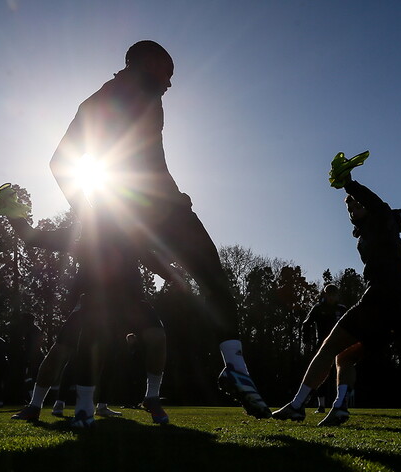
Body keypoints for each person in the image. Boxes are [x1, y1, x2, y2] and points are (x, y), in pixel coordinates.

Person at [49, 40, 269, 418]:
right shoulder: (97, 105)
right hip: (123, 213)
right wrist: (88, 212)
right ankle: (84, 404)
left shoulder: (152, 100)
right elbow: (60, 161)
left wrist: (171, 192)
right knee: (102, 309)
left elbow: (150, 158)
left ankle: (234, 367)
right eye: (166, 74)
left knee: (213, 274)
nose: (169, 84)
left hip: (165, 208)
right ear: (142, 64)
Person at [0, 187, 169, 426]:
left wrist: (173, 276)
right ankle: (35, 406)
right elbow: (33, 237)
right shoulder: (80, 234)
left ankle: (151, 397)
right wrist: (14, 215)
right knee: (59, 353)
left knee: (157, 336)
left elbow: (149, 256)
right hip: (93, 304)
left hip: (131, 301)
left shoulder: (129, 233)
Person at [273, 151, 401, 427]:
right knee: (345, 357)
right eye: (349, 209)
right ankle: (339, 408)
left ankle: (297, 406)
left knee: (328, 347)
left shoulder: (381, 220)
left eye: (357, 206)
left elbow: (377, 205)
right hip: (400, 311)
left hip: (382, 300)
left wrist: (349, 183)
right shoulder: (371, 231)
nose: (352, 210)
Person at [301, 284, 348, 413]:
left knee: (341, 372)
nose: (331, 297)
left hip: (340, 345)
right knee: (321, 373)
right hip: (322, 345)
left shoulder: (342, 309)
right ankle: (321, 405)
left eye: (334, 294)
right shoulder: (318, 308)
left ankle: (341, 402)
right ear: (325, 294)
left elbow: (351, 325)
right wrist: (306, 341)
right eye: (329, 294)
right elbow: (306, 324)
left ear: (337, 295)